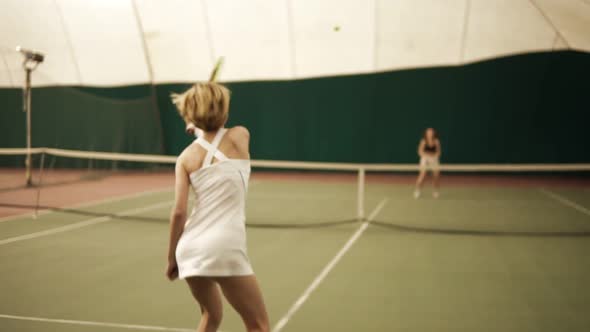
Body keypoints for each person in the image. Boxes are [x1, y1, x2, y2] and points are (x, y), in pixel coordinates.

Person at [166, 82, 269, 332]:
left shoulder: (185, 158)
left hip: (189, 248)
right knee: (259, 326)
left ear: (190, 115)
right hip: (223, 247)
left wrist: (171, 259)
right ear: (223, 111)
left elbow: (179, 212)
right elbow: (217, 136)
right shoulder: (240, 135)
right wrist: (200, 128)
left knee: (211, 316)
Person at [414, 128, 441, 198]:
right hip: (425, 158)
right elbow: (420, 152)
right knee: (423, 175)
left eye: (431, 132)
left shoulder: (436, 141)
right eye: (428, 132)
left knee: (436, 176)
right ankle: (417, 191)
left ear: (433, 133)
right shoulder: (423, 141)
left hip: (434, 159)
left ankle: (435, 191)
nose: (430, 134)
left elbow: (438, 152)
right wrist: (427, 155)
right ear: (426, 134)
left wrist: (434, 156)